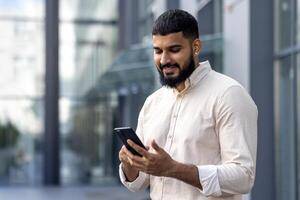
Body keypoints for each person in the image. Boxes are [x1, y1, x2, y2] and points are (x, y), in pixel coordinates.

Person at [118, 9, 257, 200]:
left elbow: (243, 177)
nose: (164, 60)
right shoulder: (153, 103)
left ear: (196, 47)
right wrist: (129, 163)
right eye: (158, 51)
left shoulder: (229, 94)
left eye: (174, 50)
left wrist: (173, 169)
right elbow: (139, 182)